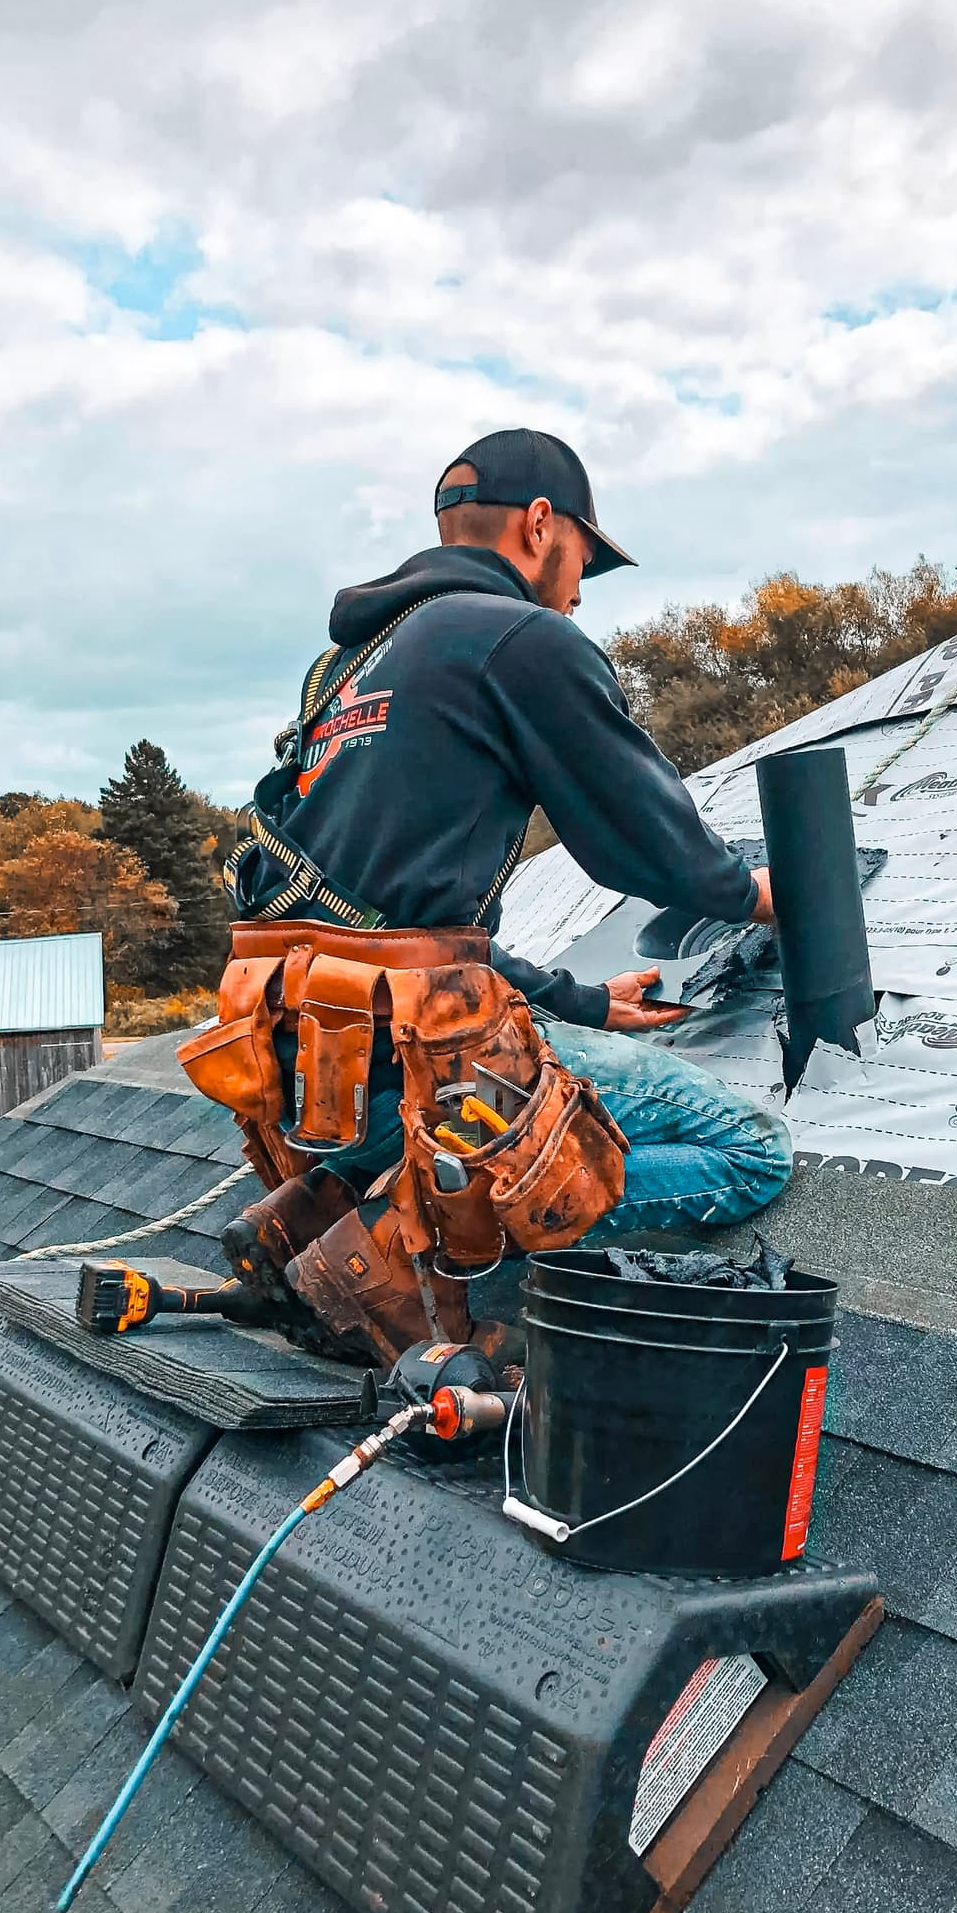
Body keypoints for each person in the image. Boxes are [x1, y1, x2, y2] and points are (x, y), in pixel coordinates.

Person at [214, 427, 791, 1361]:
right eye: (582, 565)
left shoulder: (350, 669)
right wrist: (764, 895)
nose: (575, 592)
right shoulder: (519, 638)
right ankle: (425, 1256)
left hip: (314, 1058)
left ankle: (302, 1224)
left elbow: (396, 931)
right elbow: (649, 846)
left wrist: (584, 1002)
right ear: (537, 526)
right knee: (749, 1148)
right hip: (420, 1061)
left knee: (450, 1084)